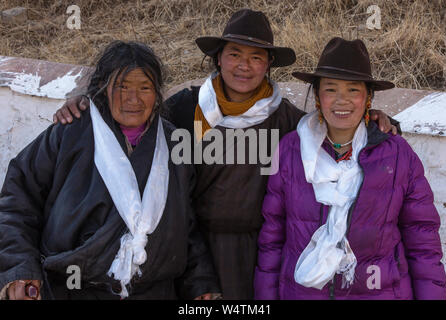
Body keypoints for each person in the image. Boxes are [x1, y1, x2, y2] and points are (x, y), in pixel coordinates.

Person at [52, 10, 398, 299]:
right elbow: (131, 118)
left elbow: (337, 132)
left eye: (256, 57)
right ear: (218, 58)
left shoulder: (288, 122)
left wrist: (377, 121)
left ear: (268, 64)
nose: (243, 66)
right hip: (188, 249)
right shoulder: (184, 110)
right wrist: (87, 102)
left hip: (257, 252)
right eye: (234, 53)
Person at [0, 41, 220, 300]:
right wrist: (20, 267)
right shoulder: (72, 131)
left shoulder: (173, 144)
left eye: (145, 88)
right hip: (72, 290)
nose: (133, 99)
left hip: (152, 291)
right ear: (103, 89)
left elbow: (185, 224)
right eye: (121, 87)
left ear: (157, 93)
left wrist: (200, 283)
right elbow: (18, 200)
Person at [254, 37, 446, 300]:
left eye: (353, 90)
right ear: (318, 97)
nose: (341, 100)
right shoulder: (290, 150)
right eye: (331, 89)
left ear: (368, 98)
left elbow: (422, 243)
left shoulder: (398, 155)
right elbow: (272, 238)